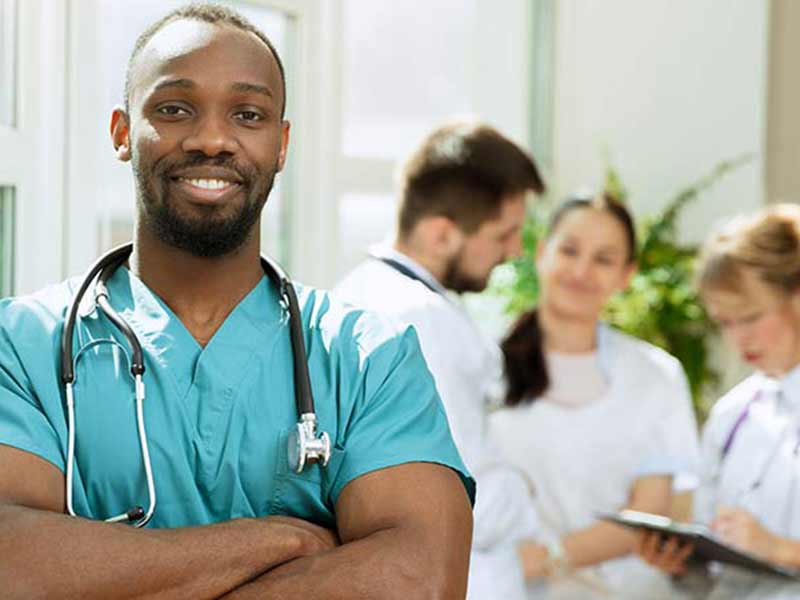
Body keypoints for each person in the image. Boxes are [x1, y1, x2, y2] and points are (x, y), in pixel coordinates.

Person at [0, 5, 475, 597]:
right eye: (174, 109)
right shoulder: (21, 346)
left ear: (281, 143)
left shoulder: (367, 358)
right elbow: (11, 566)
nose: (211, 139)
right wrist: (283, 540)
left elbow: (421, 579)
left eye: (247, 115)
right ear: (123, 133)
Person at [334, 121, 545, 600]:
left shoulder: (358, 293)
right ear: (442, 234)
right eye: (504, 234)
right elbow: (463, 499)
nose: (514, 251)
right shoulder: (421, 322)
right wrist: (526, 490)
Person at [488, 193, 701, 599]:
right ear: (541, 252)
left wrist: (550, 556)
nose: (581, 271)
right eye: (569, 250)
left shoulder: (655, 375)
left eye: (603, 259)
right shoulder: (485, 363)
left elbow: (650, 510)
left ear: (626, 275)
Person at [637, 204, 800, 599]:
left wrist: (781, 550)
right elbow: (719, 578)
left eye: (749, 317)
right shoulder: (732, 415)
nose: (737, 339)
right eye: (724, 323)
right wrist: (683, 567)